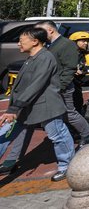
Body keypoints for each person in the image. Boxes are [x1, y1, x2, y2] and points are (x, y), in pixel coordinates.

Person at [0, 27, 75, 181]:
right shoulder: (33, 57)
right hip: (27, 106)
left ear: (35, 42)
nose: (18, 44)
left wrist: (14, 107)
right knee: (4, 136)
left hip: (46, 106)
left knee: (58, 135)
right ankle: (10, 162)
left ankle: (67, 166)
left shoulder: (45, 58)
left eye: (21, 41)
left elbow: (36, 84)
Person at [36, 21, 89, 146]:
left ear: (50, 30)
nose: (38, 34)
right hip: (53, 86)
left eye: (41, 31)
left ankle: (86, 135)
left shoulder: (66, 44)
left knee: (69, 113)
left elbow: (69, 69)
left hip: (62, 87)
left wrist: (60, 86)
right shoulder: (50, 44)